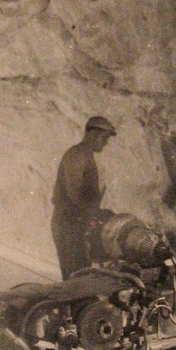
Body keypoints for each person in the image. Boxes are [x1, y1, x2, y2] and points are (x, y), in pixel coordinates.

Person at [51, 116, 117, 279]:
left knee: (82, 275)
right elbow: (74, 192)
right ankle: (71, 304)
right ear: (93, 134)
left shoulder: (86, 155)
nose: (106, 142)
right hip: (69, 224)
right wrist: (93, 213)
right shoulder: (77, 155)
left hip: (78, 224)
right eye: (104, 137)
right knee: (75, 277)